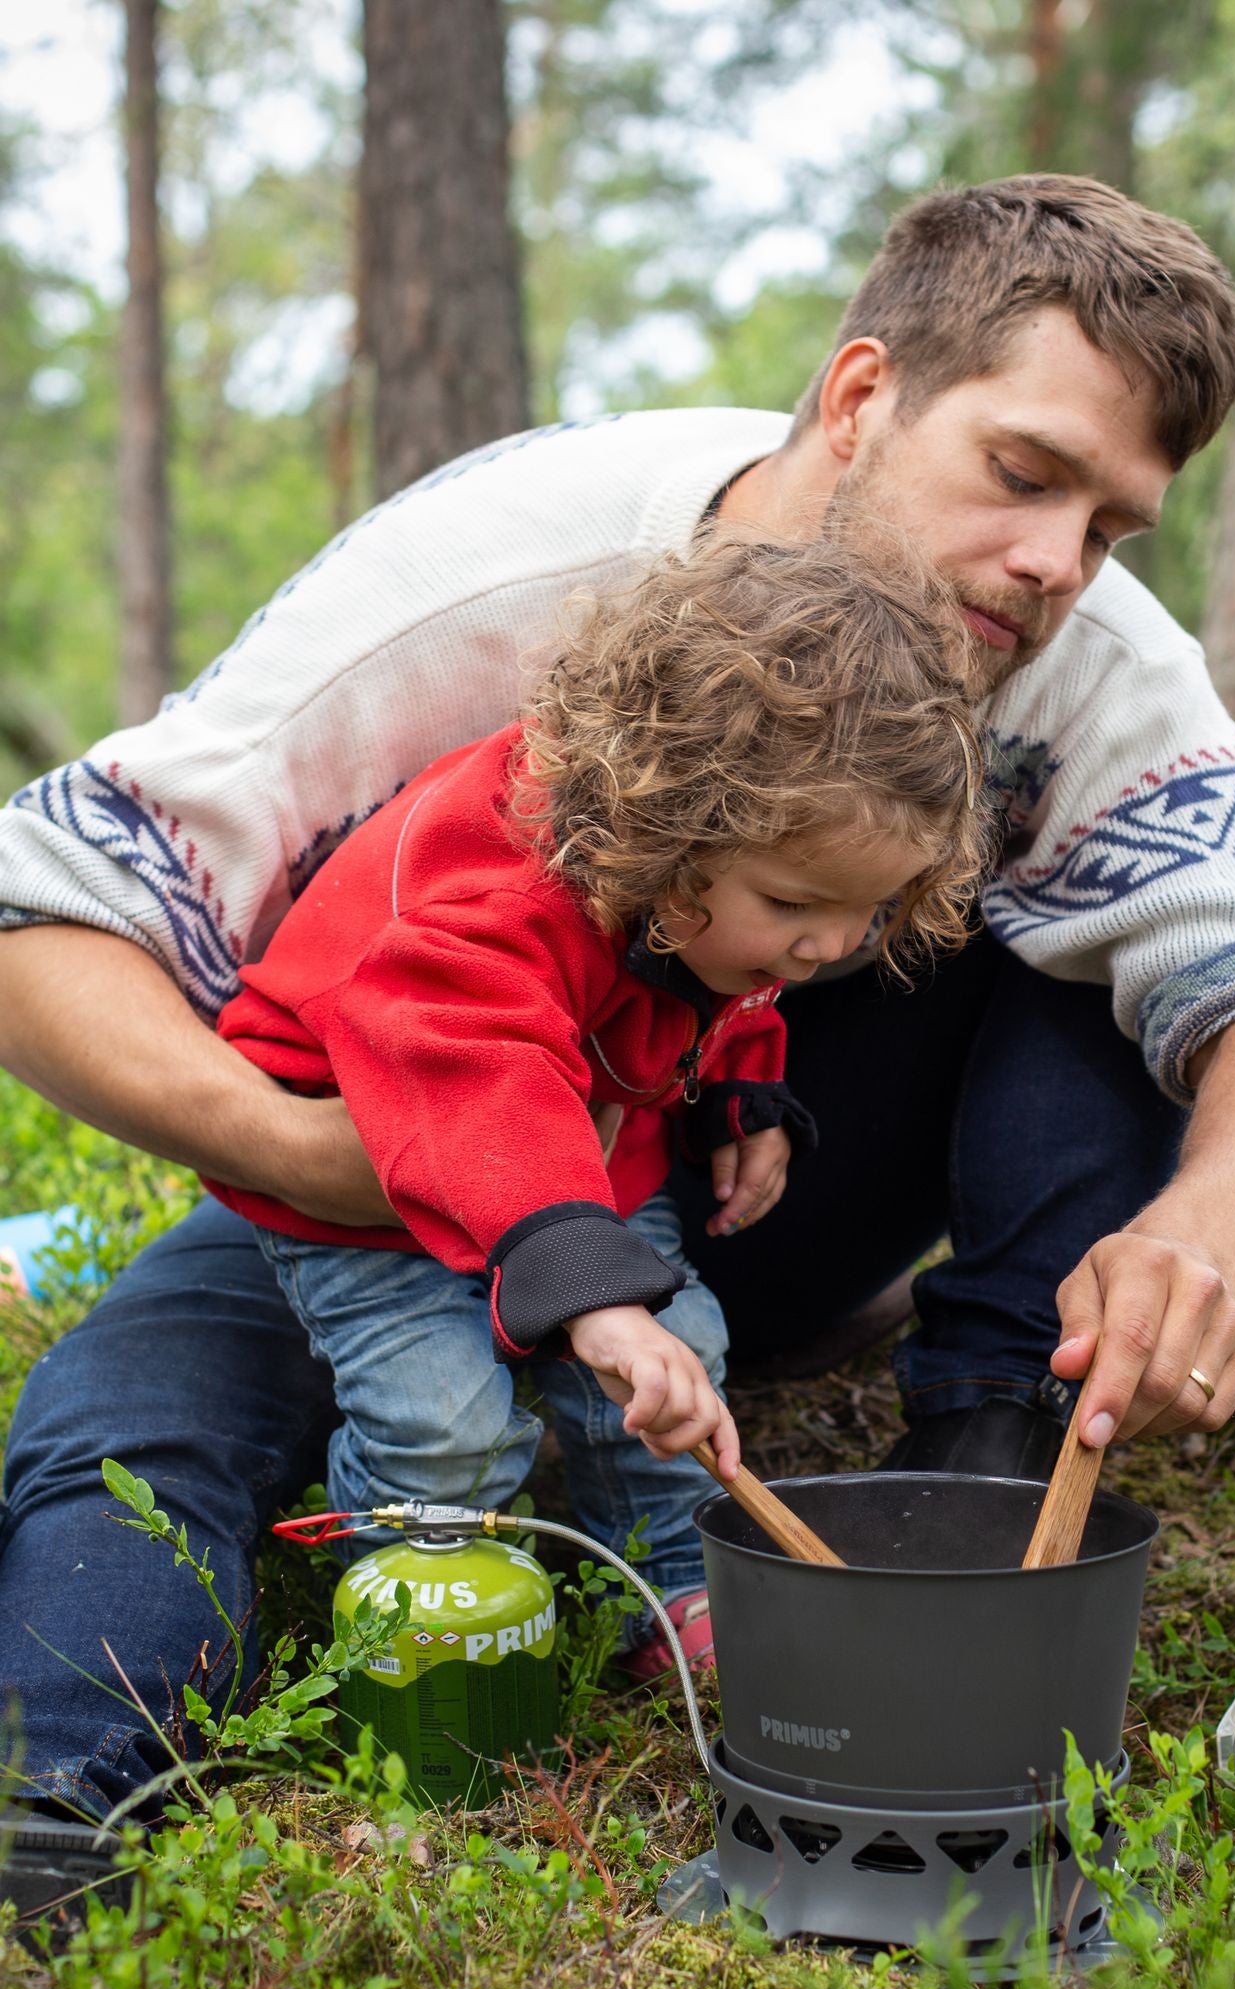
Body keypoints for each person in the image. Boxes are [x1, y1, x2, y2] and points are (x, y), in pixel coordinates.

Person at [0, 174, 1235, 1826]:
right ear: (863, 397)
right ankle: (60, 1788)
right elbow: (38, 915)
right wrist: (303, 1151)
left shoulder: (1095, 662)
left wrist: (1201, 1238)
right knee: (127, 1424)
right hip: (402, 1153)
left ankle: (976, 1458)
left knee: (1104, 946)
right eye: (1022, 474)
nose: (1054, 564)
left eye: (1112, 526)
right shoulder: (491, 575)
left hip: (743, 1166)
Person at [205, 534, 988, 1674]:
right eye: (793, 902)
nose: (825, 945)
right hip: (371, 1163)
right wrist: (592, 1297)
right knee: (443, 1417)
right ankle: (414, 1613)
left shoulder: (720, 896)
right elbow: (474, 1059)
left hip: (576, 1148)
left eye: (861, 912)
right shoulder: (498, 879)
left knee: (679, 1350)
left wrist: (740, 1091)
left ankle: (669, 1579)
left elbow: (723, 983)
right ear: (668, 837)